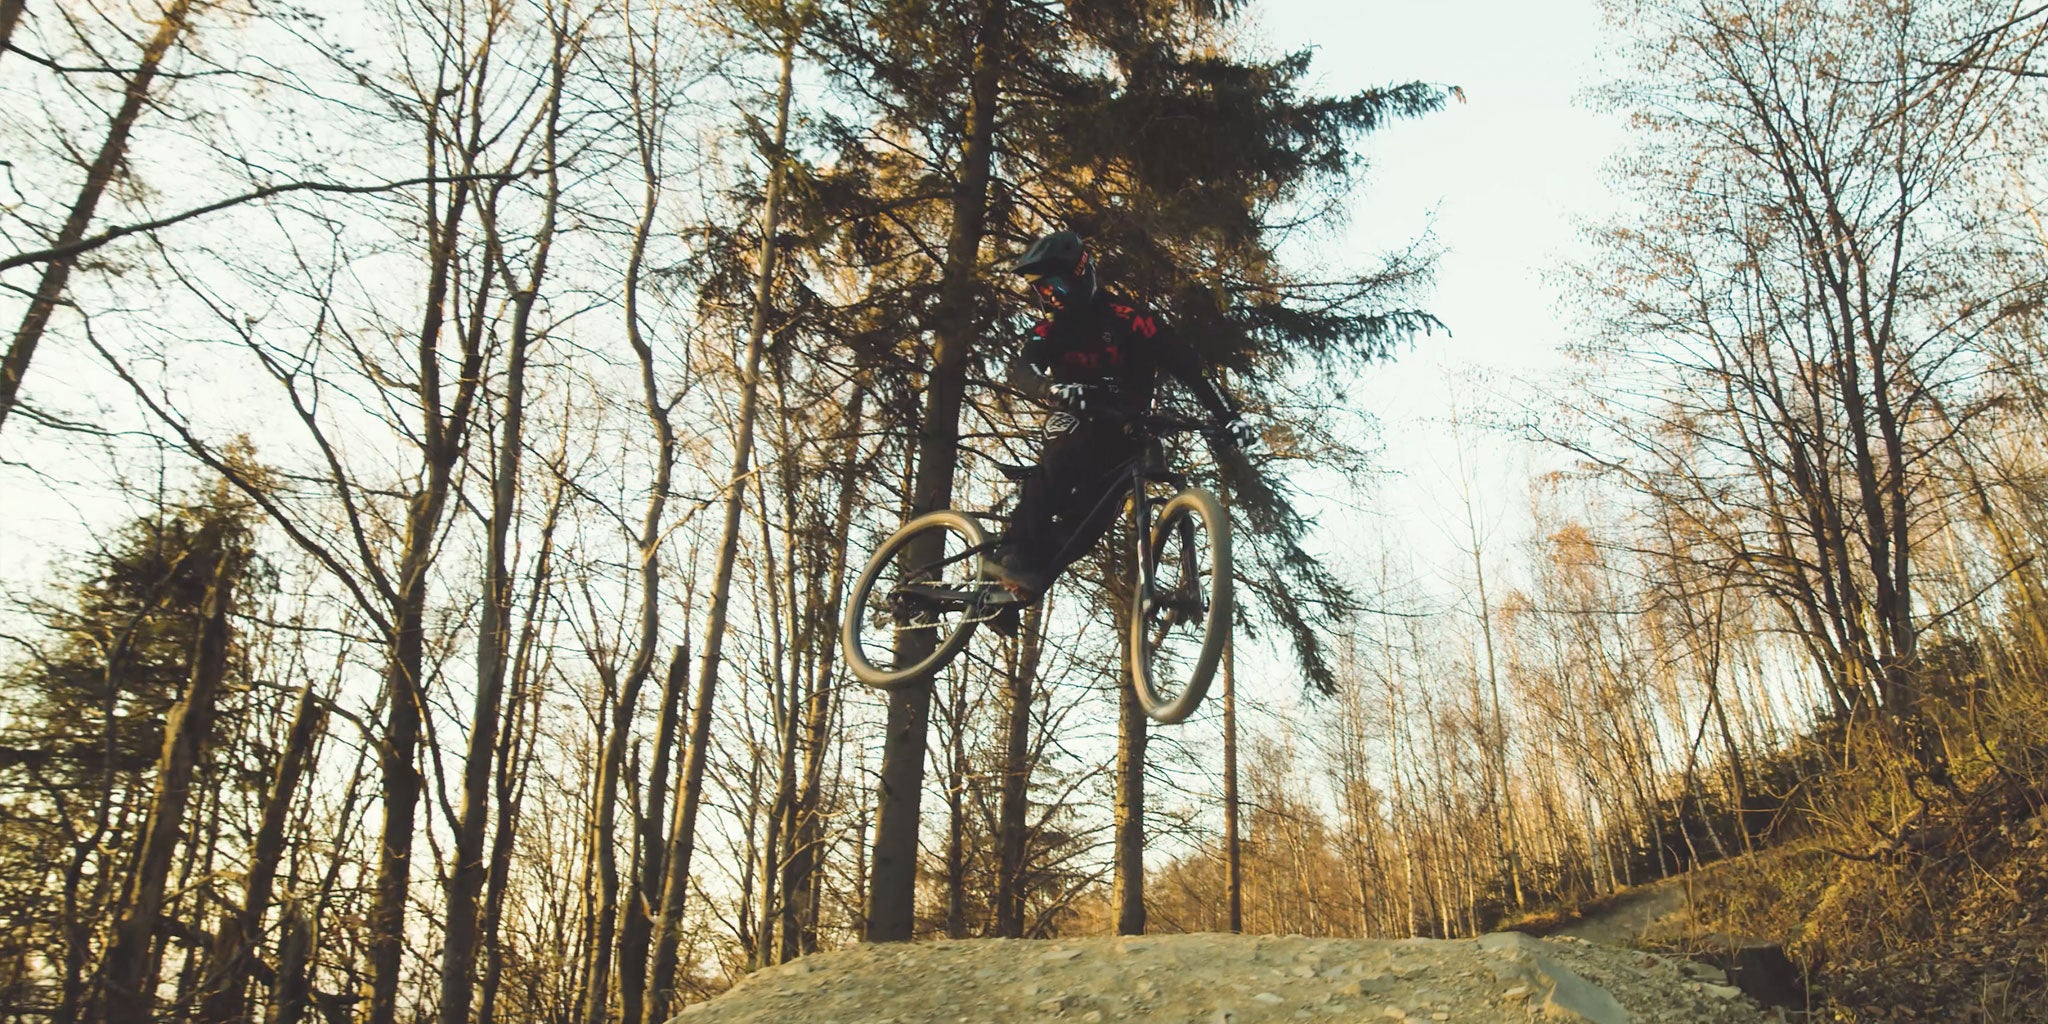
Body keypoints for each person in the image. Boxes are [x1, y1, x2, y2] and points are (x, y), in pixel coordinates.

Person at [978, 230, 1250, 621]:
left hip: (1123, 430)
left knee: (1089, 526)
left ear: (1080, 272)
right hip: (1074, 415)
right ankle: (1010, 556)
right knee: (1061, 460)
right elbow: (1023, 368)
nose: (1048, 296)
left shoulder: (1133, 320)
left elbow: (1190, 368)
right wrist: (1051, 387)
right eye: (1040, 290)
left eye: (1053, 284)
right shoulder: (1050, 329)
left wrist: (1230, 416)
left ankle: (1019, 581)